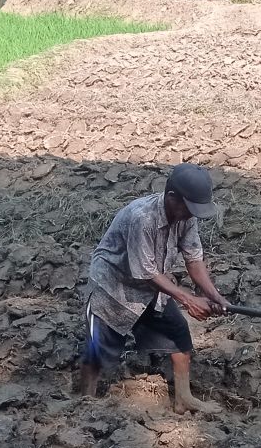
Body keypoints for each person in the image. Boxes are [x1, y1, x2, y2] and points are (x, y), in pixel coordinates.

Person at [78, 163, 228, 414]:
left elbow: (193, 258)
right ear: (172, 198)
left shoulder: (186, 217)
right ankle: (84, 404)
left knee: (179, 335)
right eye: (189, 208)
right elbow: (145, 271)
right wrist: (188, 299)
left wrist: (213, 294)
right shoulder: (142, 218)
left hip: (151, 287)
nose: (192, 215)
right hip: (113, 287)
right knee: (96, 349)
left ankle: (184, 399)